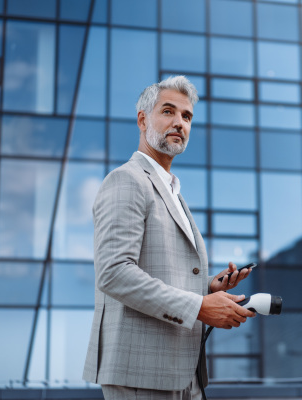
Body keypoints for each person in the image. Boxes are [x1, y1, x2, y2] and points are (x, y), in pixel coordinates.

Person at [82, 75, 255, 400]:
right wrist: (200, 306)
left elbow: (159, 273)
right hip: (141, 372)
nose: (179, 122)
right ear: (143, 118)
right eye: (168, 111)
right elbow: (114, 272)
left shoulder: (173, 192)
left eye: (186, 116)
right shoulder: (126, 181)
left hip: (184, 373)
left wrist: (208, 288)